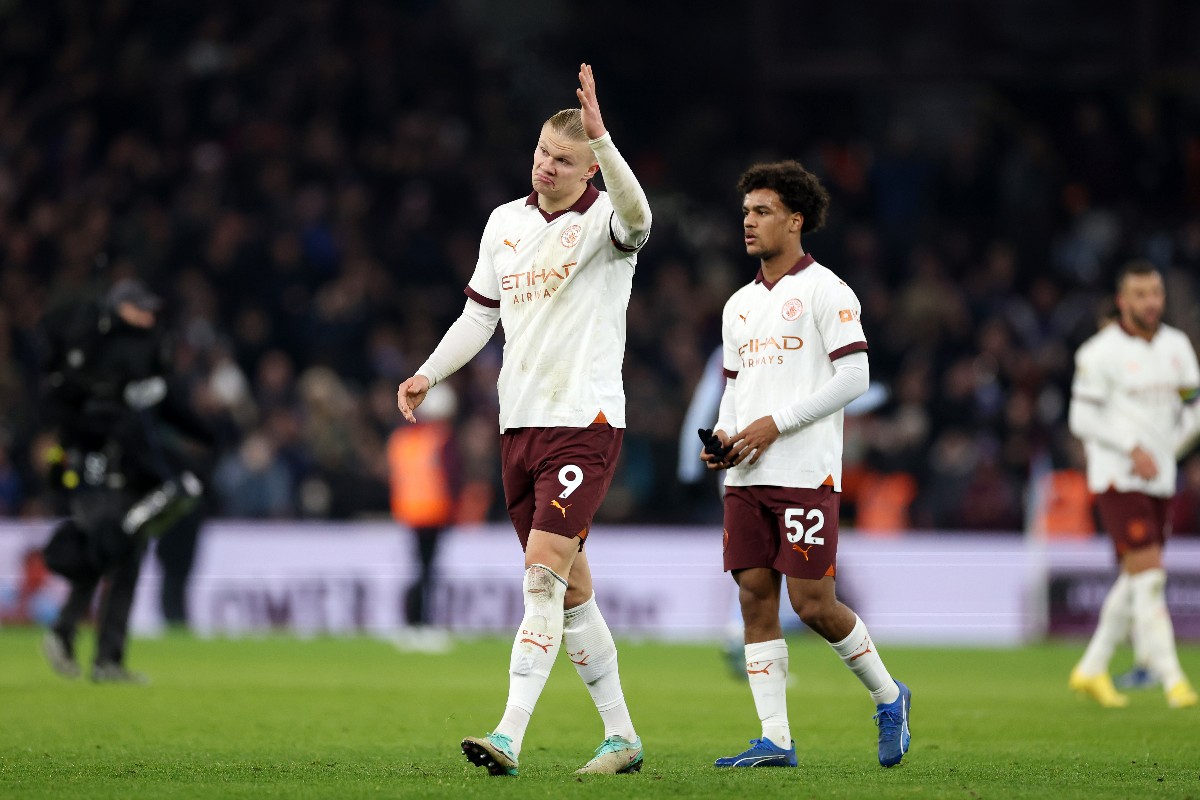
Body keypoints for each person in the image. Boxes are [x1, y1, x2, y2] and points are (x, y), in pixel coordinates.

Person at [396, 64, 650, 776]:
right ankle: (622, 738)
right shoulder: (504, 223)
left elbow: (642, 218)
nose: (545, 165)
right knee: (570, 592)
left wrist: (604, 139)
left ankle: (507, 734)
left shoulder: (605, 222)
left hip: (584, 421)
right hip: (521, 426)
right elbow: (480, 316)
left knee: (540, 577)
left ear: (589, 167)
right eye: (542, 152)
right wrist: (429, 371)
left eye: (564, 159)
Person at [701, 160, 911, 769]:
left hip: (803, 472)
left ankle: (890, 694)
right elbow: (735, 390)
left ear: (795, 221)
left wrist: (777, 424)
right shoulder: (738, 305)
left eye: (762, 212)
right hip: (745, 475)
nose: (749, 222)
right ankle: (776, 739)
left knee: (813, 603)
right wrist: (722, 434)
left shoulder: (827, 290)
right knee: (753, 596)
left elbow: (856, 376)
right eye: (745, 212)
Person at [38, 278, 213, 683]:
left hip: (124, 472)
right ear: (120, 308)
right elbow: (64, 411)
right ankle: (68, 634)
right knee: (108, 550)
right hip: (95, 474)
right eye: (141, 308)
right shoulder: (92, 355)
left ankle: (105, 658)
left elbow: (152, 410)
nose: (150, 317)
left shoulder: (134, 359)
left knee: (125, 559)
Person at [1066, 260, 1200, 709]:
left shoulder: (1178, 347)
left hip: (1160, 478)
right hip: (1118, 478)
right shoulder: (1098, 353)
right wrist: (1132, 448)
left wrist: (1166, 453)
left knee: (1134, 576)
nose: (1150, 302)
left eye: (1156, 293)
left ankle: (1091, 667)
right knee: (1151, 577)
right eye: (1140, 294)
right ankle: (1173, 679)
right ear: (1123, 301)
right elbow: (1081, 418)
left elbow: (1194, 409)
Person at [387, 381, 459, 653]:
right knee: (427, 572)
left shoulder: (402, 439)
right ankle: (421, 625)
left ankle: (413, 624)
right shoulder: (441, 438)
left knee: (418, 570)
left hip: (409, 513)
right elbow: (453, 477)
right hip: (435, 513)